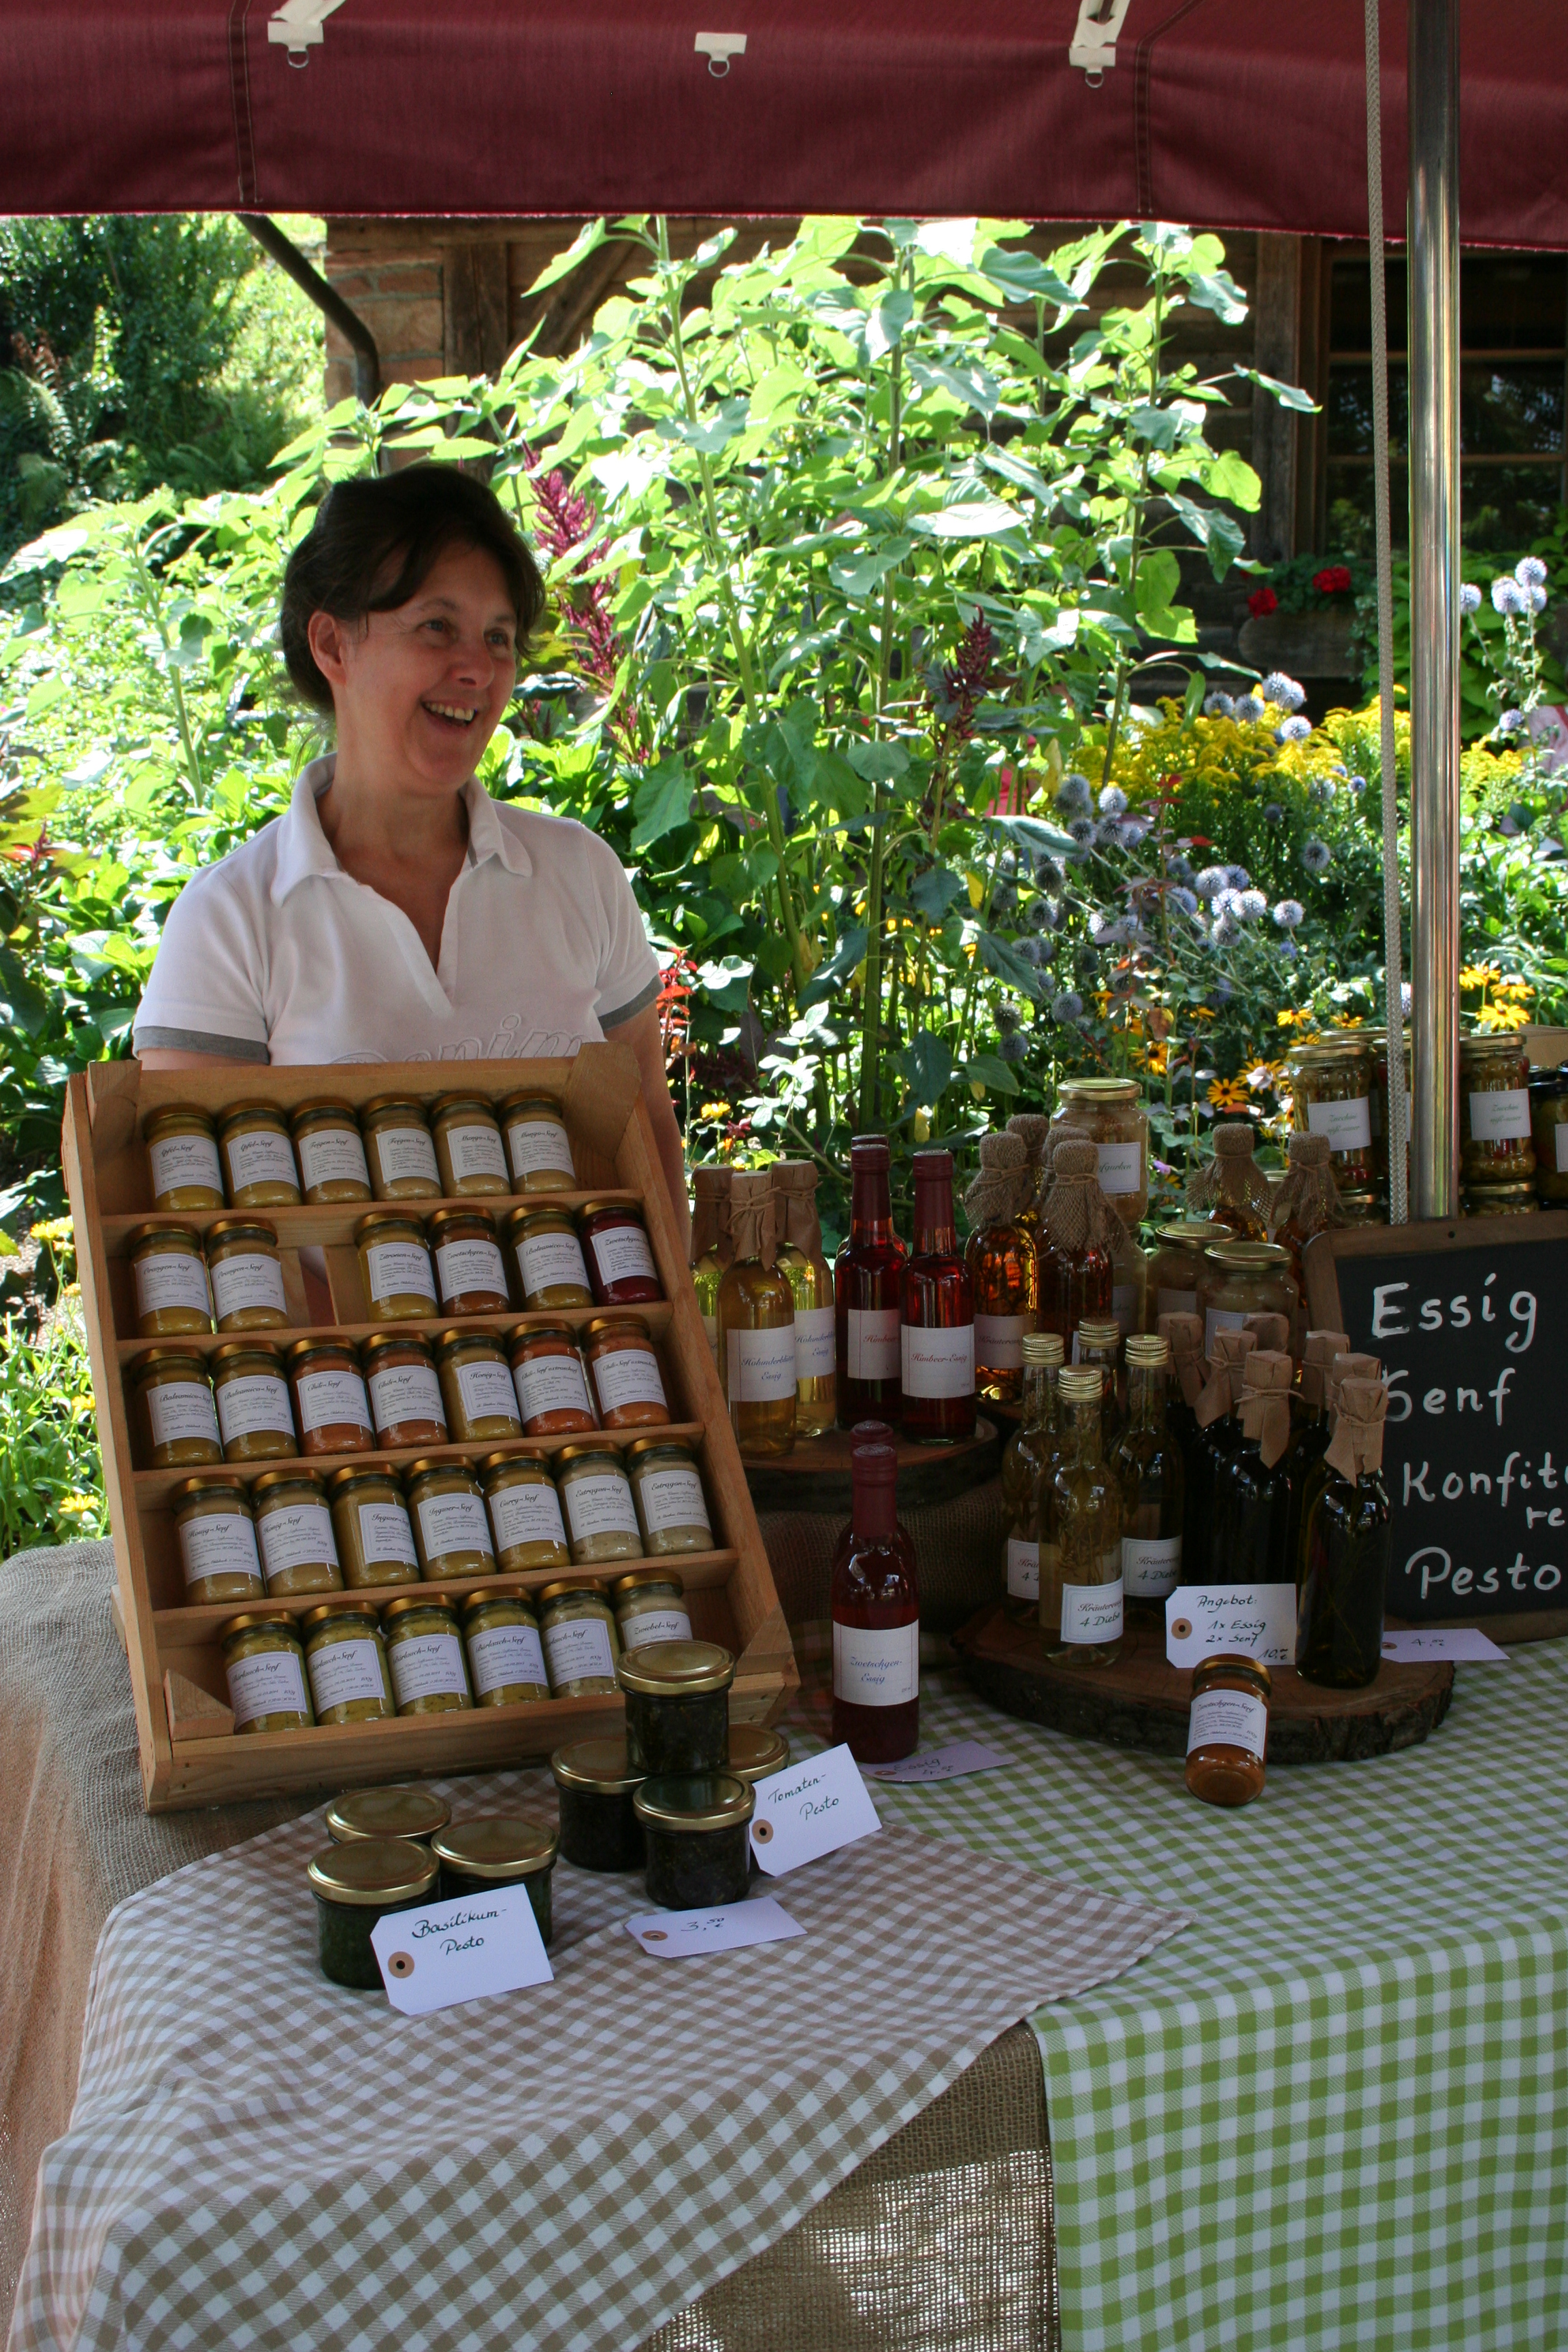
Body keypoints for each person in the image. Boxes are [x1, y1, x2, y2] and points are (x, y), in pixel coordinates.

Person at [133, 464, 688, 1239]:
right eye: (438, 626)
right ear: (332, 643)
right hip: (329, 1361)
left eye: (498, 637)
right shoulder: (230, 921)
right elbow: (203, 1225)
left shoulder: (578, 872)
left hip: (582, 1352)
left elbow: (650, 1128)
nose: (479, 668)